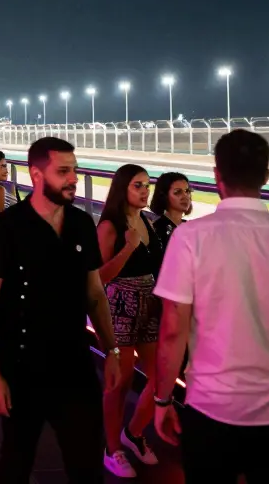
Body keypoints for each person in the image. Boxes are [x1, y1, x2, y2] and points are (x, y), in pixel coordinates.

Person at [153, 129, 269, 482]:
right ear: (266, 175)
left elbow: (173, 330)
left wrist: (162, 401)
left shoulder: (190, 237)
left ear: (217, 174)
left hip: (211, 409)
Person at [0, 137, 121, 484]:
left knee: (85, 462)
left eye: (75, 170)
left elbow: (95, 294)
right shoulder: (4, 229)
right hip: (21, 366)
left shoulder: (82, 224)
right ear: (36, 174)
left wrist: (111, 348)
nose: (73, 178)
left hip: (75, 365)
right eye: (64, 171)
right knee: (16, 459)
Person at [96, 163, 166, 477]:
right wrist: (129, 247)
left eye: (147, 185)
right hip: (120, 306)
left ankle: (134, 431)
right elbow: (99, 277)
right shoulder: (111, 225)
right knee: (119, 383)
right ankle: (112, 449)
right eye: (137, 185)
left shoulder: (147, 222)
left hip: (149, 304)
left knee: (162, 376)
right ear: (123, 187)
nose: (144, 190)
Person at [147, 172, 191, 242]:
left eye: (187, 191)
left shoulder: (190, 226)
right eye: (177, 192)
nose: (185, 196)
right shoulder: (157, 229)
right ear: (164, 196)